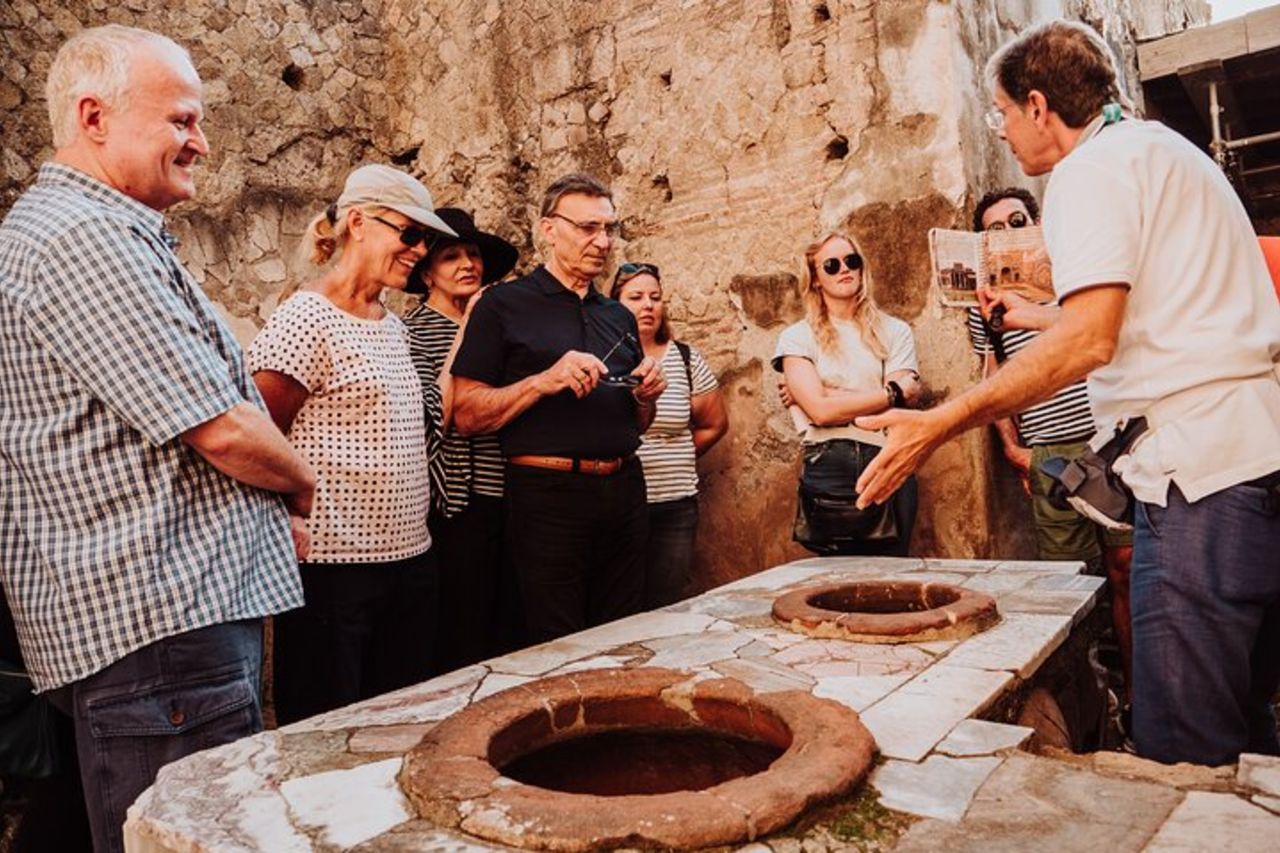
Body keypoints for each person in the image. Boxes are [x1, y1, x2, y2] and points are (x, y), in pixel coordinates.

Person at [856, 20, 1280, 766]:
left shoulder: (1091, 170)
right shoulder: (1164, 151)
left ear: (1039, 105)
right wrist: (1034, 314)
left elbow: (1090, 341)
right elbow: (1149, 308)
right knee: (1246, 732)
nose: (1002, 130)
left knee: (1184, 751)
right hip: (1252, 458)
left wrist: (937, 424)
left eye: (1002, 112)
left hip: (1199, 483)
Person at [0, 25, 315, 853]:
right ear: (93, 116)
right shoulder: (85, 237)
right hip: (162, 633)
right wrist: (300, 484)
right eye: (181, 119)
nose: (201, 143)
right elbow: (223, 427)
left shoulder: (97, 229)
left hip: (156, 635)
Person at [248, 164, 455, 723]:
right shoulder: (305, 318)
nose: (419, 251)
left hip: (409, 562)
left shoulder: (392, 324)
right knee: (326, 729)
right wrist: (289, 516)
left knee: (399, 724)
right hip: (334, 570)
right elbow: (261, 434)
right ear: (358, 223)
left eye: (426, 239)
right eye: (409, 234)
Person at [450, 173, 666, 644]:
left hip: (625, 489)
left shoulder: (618, 315)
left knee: (624, 632)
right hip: (546, 496)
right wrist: (542, 381)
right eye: (588, 228)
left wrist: (645, 397)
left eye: (608, 229)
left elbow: (638, 423)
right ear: (549, 229)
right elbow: (465, 413)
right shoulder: (502, 304)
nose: (603, 241)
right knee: (556, 640)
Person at [967, 187, 1135, 715]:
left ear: (1037, 225)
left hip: (1110, 443)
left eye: (1018, 221)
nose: (1009, 232)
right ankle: (1089, 705)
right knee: (1069, 581)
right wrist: (1014, 450)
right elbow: (993, 378)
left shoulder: (1076, 278)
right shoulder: (986, 308)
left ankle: (1138, 694)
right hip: (1050, 453)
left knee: (1127, 567)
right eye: (995, 228)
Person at [402, 207, 524, 670]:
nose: (467, 264)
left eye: (472, 254)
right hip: (457, 501)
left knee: (509, 625)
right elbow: (438, 416)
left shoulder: (503, 327)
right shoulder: (413, 332)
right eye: (450, 257)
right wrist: (470, 329)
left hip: (512, 491)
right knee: (463, 627)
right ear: (427, 274)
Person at [773, 232, 922, 557]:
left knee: (893, 575)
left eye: (851, 261)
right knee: (837, 577)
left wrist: (826, 393)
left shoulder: (895, 330)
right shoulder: (796, 337)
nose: (844, 269)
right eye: (831, 265)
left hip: (887, 459)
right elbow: (822, 412)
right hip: (830, 466)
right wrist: (889, 391)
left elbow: (899, 406)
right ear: (815, 279)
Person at [610, 262, 729, 607]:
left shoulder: (685, 358)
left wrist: (678, 457)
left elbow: (714, 424)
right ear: (614, 304)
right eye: (636, 297)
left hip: (675, 504)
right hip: (619, 503)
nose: (648, 305)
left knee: (664, 601)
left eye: (655, 297)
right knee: (618, 602)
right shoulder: (608, 358)